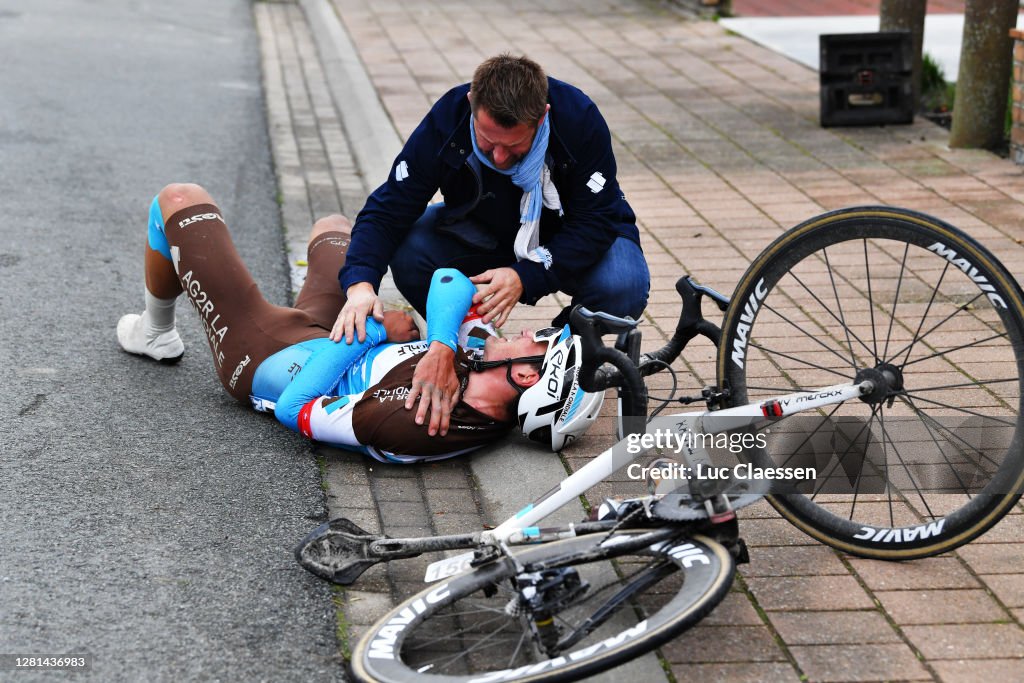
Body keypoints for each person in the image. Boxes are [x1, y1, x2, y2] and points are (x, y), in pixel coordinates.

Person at [116, 183, 604, 462]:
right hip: (333, 335)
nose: (529, 332)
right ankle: (334, 306)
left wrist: (374, 332)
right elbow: (450, 281)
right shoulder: (483, 365)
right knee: (333, 227)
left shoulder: (415, 423)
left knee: (178, 199)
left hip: (268, 354)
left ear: (524, 375)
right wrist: (441, 345)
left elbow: (294, 409)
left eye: (541, 343)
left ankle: (154, 331)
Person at [332, 53, 650, 347]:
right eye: (487, 140)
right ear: (472, 103)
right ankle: (474, 345)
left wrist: (526, 276)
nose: (498, 157)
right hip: (486, 231)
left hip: (568, 235)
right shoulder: (449, 118)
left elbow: (596, 221)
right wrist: (360, 283)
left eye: (514, 147)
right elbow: (388, 209)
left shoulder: (579, 119)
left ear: (542, 118)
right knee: (410, 249)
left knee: (623, 285)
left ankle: (556, 350)